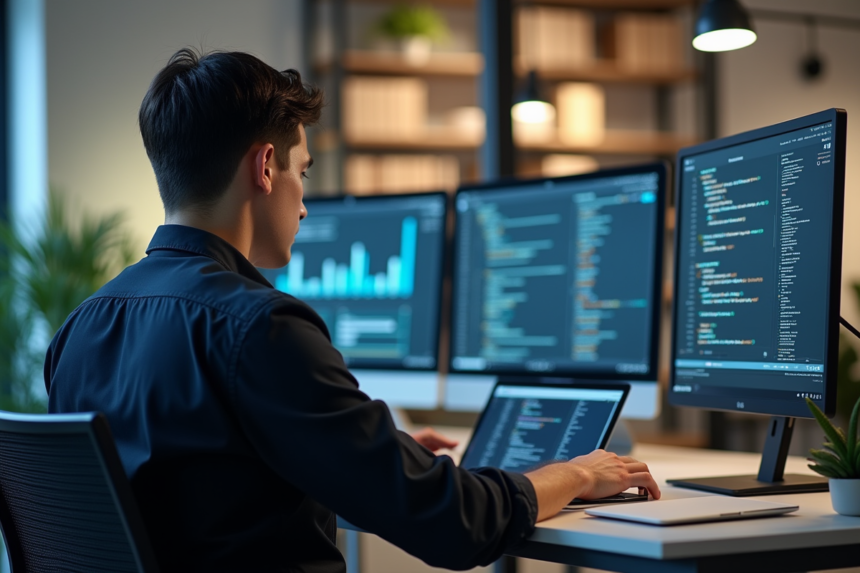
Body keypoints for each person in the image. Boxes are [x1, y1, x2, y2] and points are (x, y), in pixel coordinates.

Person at [44, 48, 660, 573]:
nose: (304, 204)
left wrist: (364, 450)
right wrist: (576, 474)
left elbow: (198, 492)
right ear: (265, 167)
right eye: (303, 173)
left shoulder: (81, 328)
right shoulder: (260, 328)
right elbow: (454, 523)